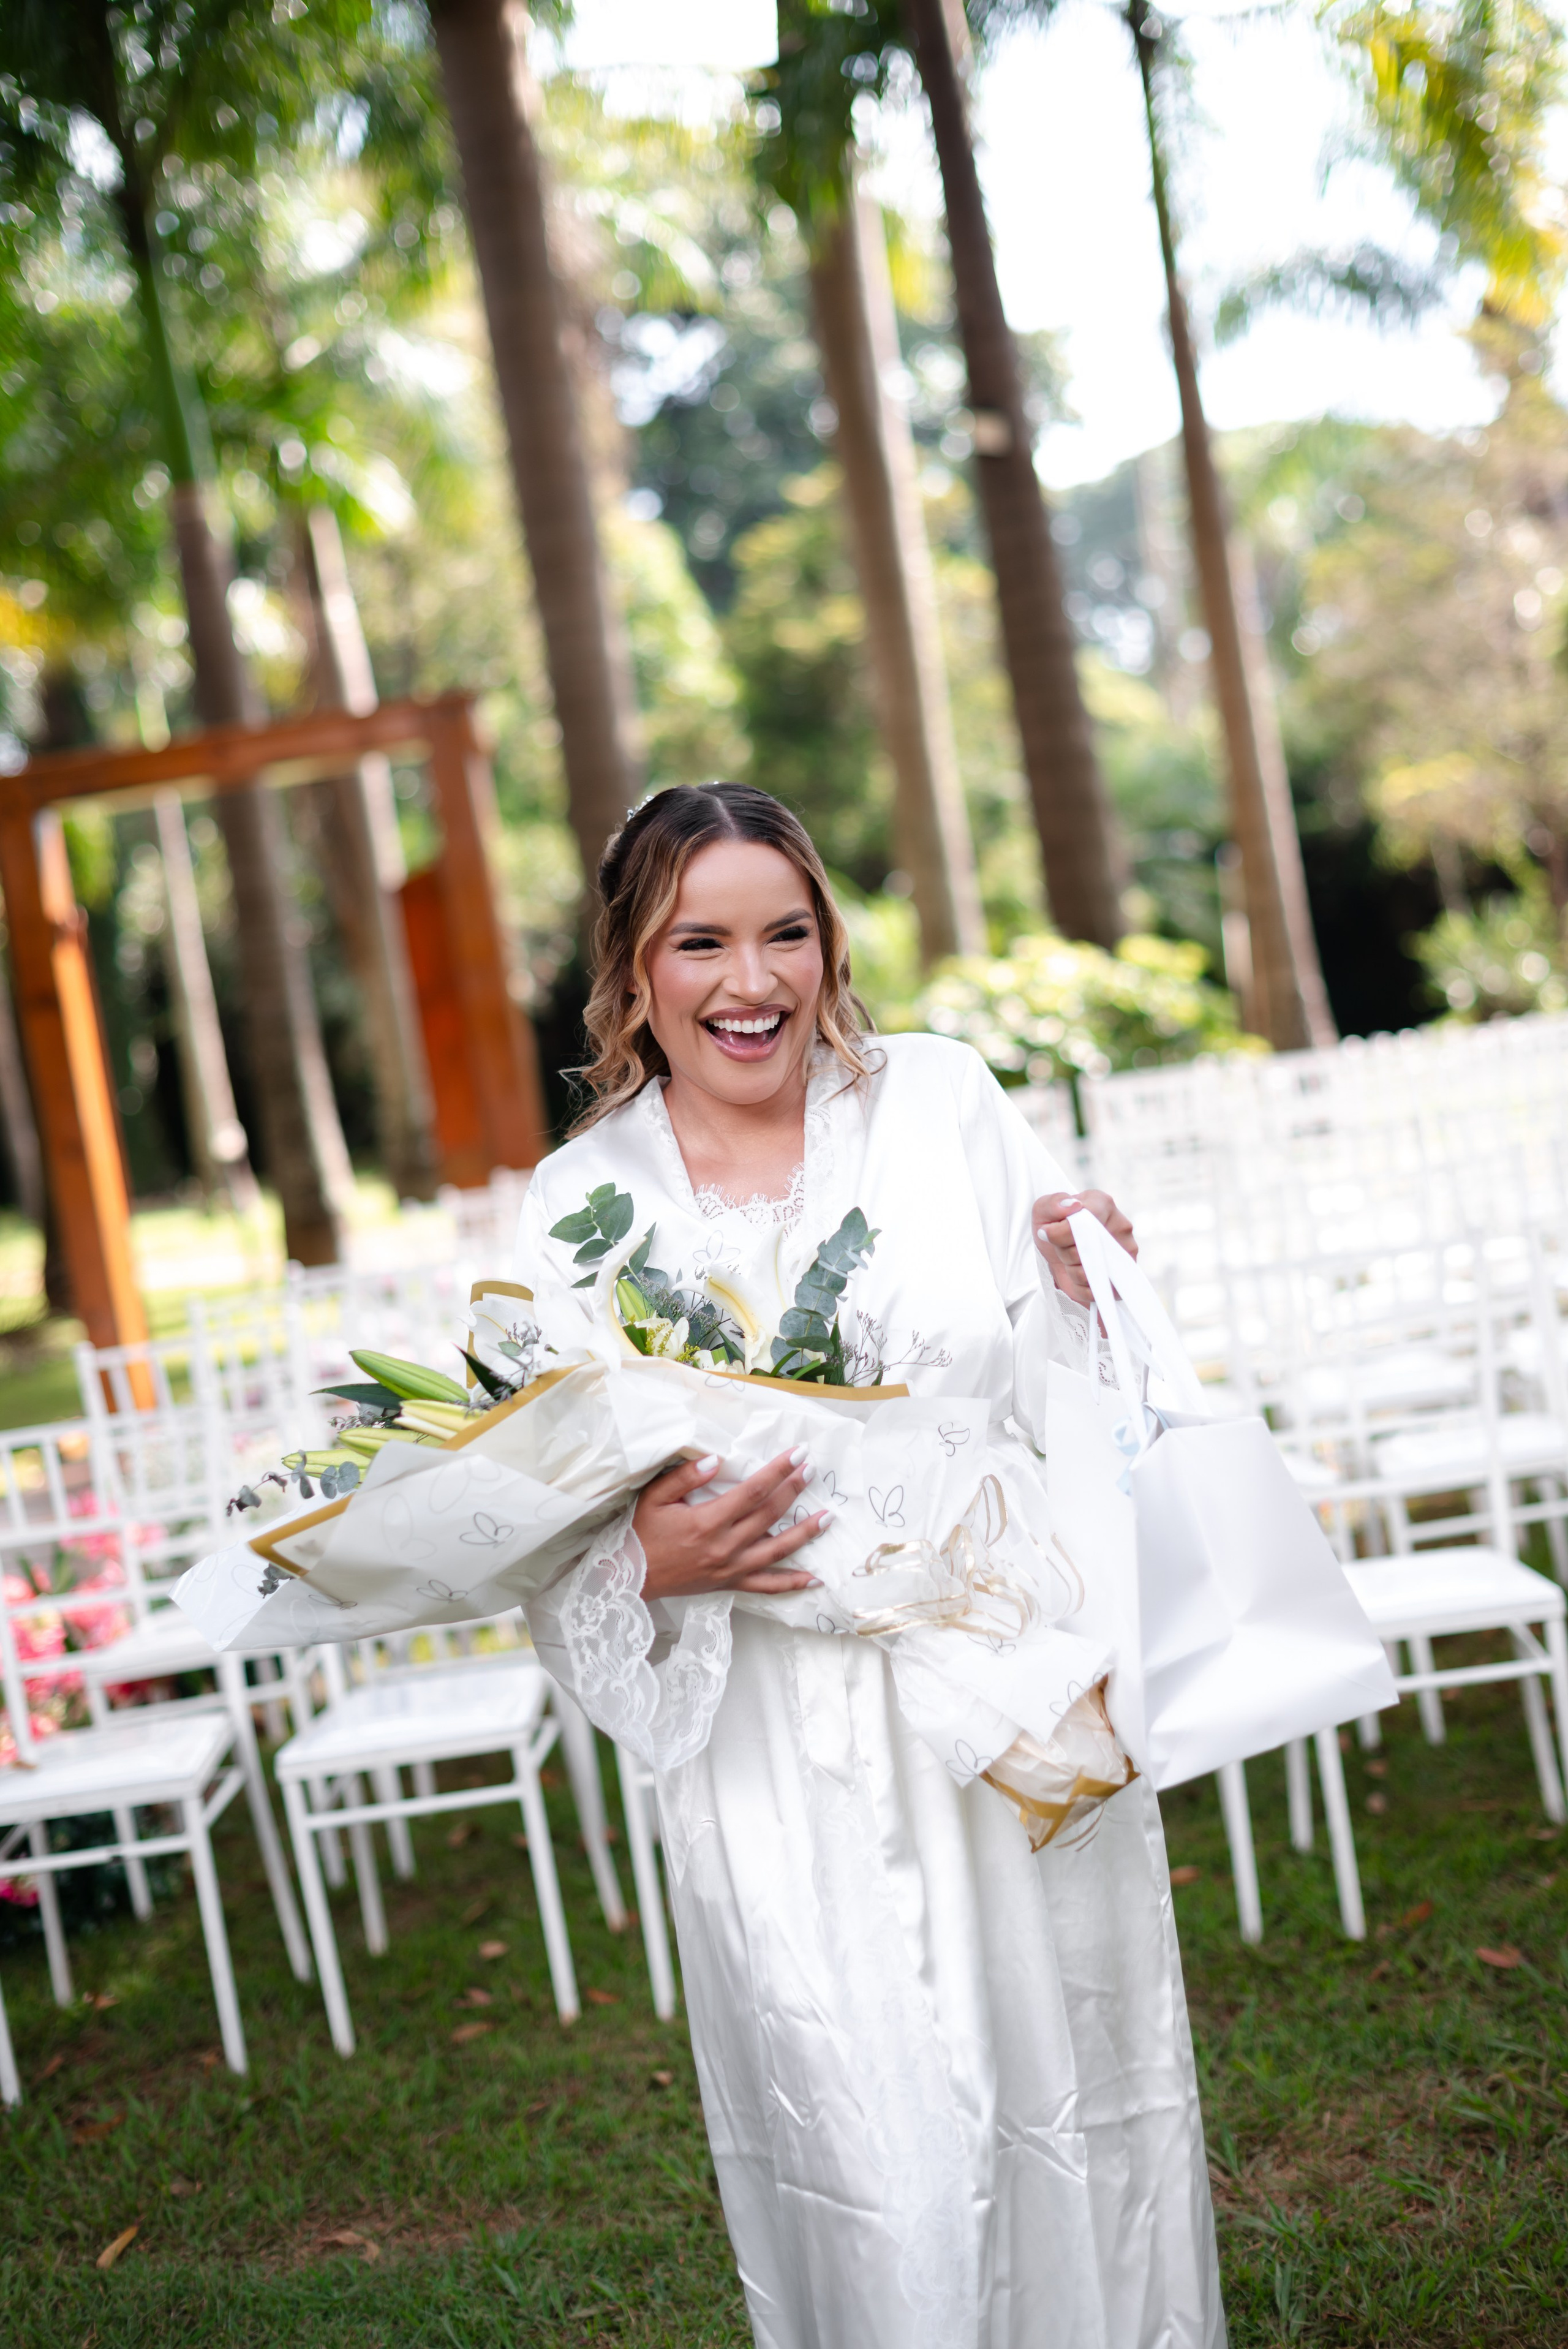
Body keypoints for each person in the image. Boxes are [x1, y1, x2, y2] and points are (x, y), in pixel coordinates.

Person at [517, 782, 1226, 2349]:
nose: (749, 980)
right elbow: (537, 1526)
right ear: (634, 972)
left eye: (785, 932)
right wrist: (652, 1553)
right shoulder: (577, 1209)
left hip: (1003, 1682)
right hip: (777, 1746)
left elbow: (1065, 1385)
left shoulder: (945, 1103)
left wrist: (1072, 1281)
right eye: (698, 940)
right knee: (863, 2130)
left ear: (830, 943)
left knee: (1079, 2094)